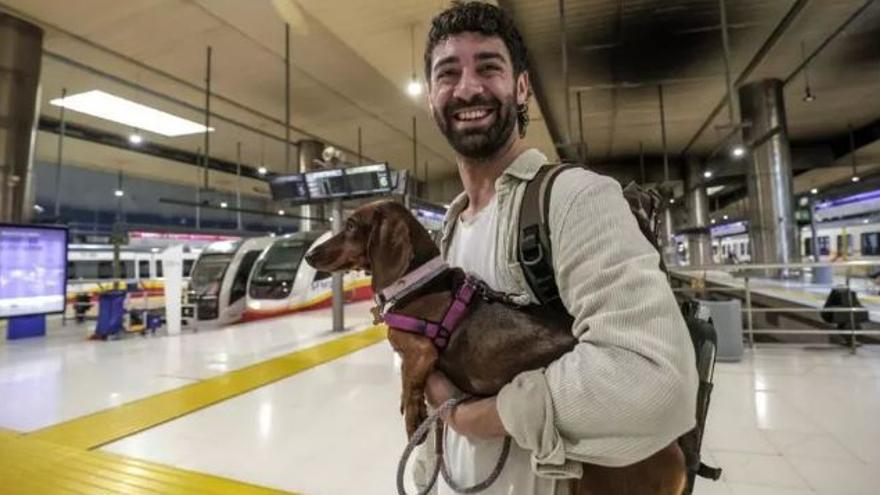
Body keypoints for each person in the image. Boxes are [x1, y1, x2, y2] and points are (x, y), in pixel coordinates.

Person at [414, 2, 699, 494]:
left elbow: (657, 382)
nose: (467, 88)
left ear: (521, 87)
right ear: (432, 97)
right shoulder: (450, 230)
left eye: (488, 67)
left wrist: (478, 417)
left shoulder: (574, 198)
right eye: (447, 73)